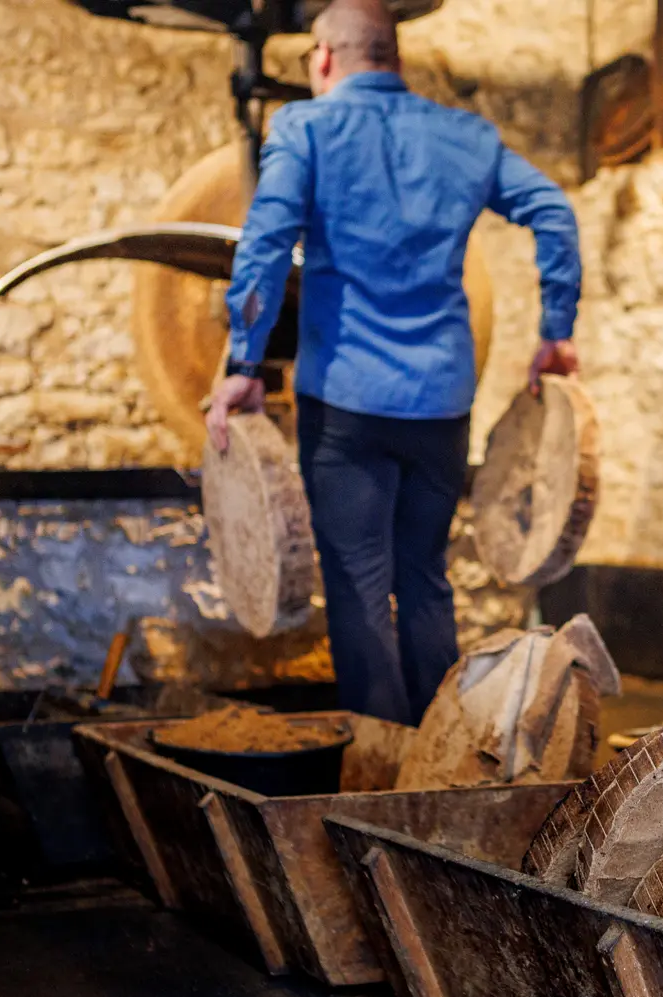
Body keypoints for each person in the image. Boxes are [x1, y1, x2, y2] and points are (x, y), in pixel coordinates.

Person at [206, 0, 581, 725]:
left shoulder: (305, 129)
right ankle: (441, 752)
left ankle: (379, 769)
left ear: (323, 60)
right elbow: (553, 210)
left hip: (344, 402)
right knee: (426, 578)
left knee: (357, 585)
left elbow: (262, 247)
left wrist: (245, 365)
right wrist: (554, 330)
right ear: (396, 60)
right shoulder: (465, 136)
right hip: (440, 401)